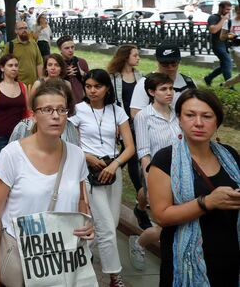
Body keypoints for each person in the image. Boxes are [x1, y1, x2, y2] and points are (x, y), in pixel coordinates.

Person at [0, 80, 94, 287]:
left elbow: (81, 202)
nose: (56, 116)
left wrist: (87, 223)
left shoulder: (76, 155)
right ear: (33, 114)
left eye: (61, 109)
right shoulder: (12, 155)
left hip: (63, 258)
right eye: (48, 109)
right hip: (22, 257)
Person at [147, 89, 239, 287]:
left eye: (207, 116)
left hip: (231, 259)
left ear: (217, 122)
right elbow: (161, 216)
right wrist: (207, 202)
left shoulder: (230, 155)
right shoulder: (165, 160)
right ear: (179, 119)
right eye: (190, 115)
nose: (198, 123)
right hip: (186, 264)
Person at [69, 69, 135, 287]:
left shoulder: (117, 112)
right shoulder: (77, 110)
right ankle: (115, 276)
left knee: (110, 224)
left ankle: (82, 255)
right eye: (88, 86)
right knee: (106, 226)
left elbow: (130, 147)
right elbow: (68, 143)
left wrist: (115, 165)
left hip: (112, 171)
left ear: (107, 88)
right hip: (89, 173)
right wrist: (86, 156)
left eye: (97, 86)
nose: (92, 90)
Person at [128, 73, 180, 271]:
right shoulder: (144, 116)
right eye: (164, 89)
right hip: (158, 174)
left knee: (179, 219)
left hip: (180, 174)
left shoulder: (178, 113)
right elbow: (143, 152)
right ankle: (138, 244)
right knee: (164, 224)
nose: (169, 93)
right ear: (151, 92)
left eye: (171, 88)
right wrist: (150, 180)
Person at [107, 44, 146, 228]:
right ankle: (141, 195)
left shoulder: (140, 77)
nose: (138, 58)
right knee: (132, 155)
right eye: (135, 55)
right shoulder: (113, 78)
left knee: (129, 153)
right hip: (122, 122)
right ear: (125, 57)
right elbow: (112, 102)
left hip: (137, 121)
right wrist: (115, 122)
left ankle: (107, 171)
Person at [0, 54, 32, 163]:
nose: (14, 68)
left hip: (19, 137)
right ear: (2, 68)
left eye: (16, 65)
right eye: (10, 65)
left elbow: (28, 110)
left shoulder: (22, 86)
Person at [130, 43, 196, 118]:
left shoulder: (188, 82)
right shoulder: (144, 83)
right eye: (165, 64)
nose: (170, 67)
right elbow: (136, 114)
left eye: (174, 63)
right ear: (157, 62)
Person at [204, 1, 234, 86]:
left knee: (224, 66)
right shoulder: (213, 17)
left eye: (230, 9)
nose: (228, 11)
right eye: (227, 9)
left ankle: (208, 78)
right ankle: (229, 86)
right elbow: (213, 30)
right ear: (221, 8)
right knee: (228, 63)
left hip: (225, 45)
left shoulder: (228, 20)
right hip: (217, 45)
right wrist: (223, 19)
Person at [4, 21, 42, 86]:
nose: (24, 30)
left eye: (26, 28)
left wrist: (40, 80)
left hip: (33, 85)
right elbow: (5, 65)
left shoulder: (33, 43)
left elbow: (39, 63)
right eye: (21, 28)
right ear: (16, 31)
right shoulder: (10, 45)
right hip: (17, 85)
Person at [57, 35, 89, 103]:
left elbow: (90, 81)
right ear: (60, 49)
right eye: (67, 48)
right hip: (62, 99)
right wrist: (63, 76)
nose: (70, 50)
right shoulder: (56, 63)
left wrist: (83, 74)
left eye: (72, 47)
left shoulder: (81, 62)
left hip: (81, 99)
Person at [222, 4, 240, 88]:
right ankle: (226, 85)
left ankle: (225, 85)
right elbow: (222, 37)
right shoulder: (229, 22)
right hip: (235, 50)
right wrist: (230, 36)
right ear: (237, 11)